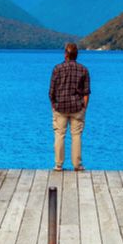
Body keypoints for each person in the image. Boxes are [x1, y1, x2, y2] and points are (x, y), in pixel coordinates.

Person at [49, 42, 90, 172]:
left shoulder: (57, 69)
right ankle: (77, 165)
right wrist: (84, 108)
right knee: (76, 135)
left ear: (66, 54)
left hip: (60, 107)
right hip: (77, 108)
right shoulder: (84, 70)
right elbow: (86, 92)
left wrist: (53, 106)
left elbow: (51, 92)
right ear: (76, 55)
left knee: (60, 135)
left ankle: (58, 165)